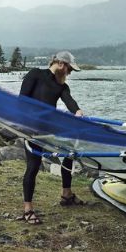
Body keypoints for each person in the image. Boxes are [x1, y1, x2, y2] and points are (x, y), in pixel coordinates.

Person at [18, 51, 86, 224]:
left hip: (49, 128)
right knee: (33, 166)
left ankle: (66, 194)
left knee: (69, 153)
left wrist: (77, 112)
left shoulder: (62, 86)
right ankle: (28, 209)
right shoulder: (35, 74)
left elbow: (69, 101)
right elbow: (21, 100)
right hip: (32, 128)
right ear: (61, 64)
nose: (70, 73)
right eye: (69, 69)